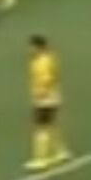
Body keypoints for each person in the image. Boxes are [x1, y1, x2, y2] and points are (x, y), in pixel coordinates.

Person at [26, 35, 72, 171]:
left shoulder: (43, 62)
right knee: (52, 126)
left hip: (45, 100)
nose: (29, 49)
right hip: (53, 98)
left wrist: (40, 94)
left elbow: (47, 79)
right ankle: (61, 152)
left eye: (32, 47)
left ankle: (41, 158)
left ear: (38, 47)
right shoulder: (46, 58)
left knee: (41, 128)